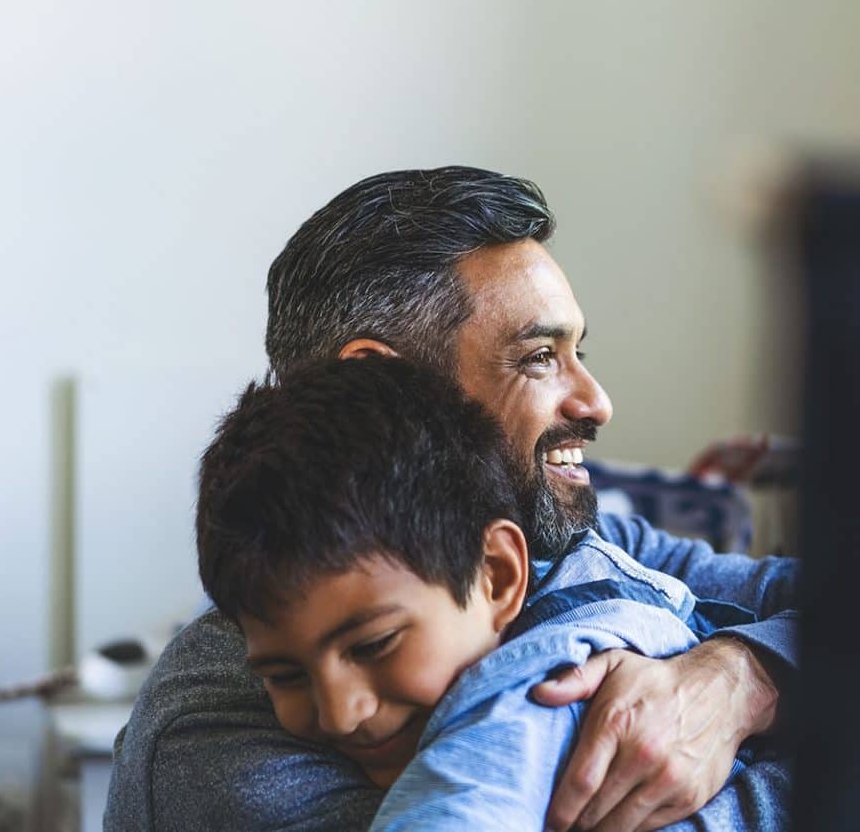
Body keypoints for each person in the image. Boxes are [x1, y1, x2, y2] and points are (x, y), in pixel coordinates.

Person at [105, 166, 798, 832]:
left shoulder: (578, 544)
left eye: (578, 352)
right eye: (537, 357)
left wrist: (741, 677)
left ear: (503, 571)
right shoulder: (220, 741)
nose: (596, 402)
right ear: (386, 384)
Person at [195, 356, 774, 829]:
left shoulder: (535, 688)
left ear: (499, 575)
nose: (341, 713)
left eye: (374, 645)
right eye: (285, 676)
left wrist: (744, 673)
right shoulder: (216, 753)